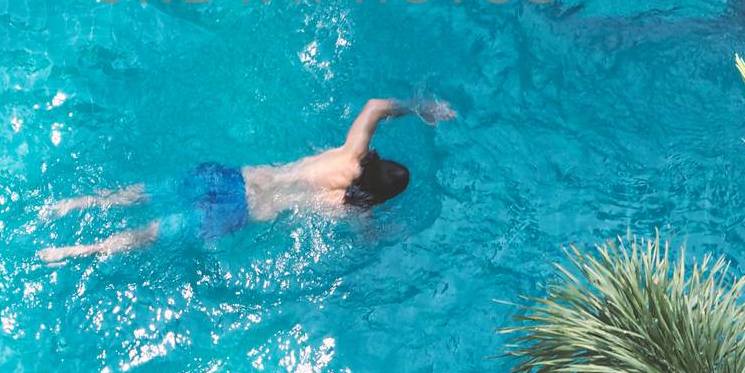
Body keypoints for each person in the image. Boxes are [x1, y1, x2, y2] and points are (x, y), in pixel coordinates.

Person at [36, 97, 456, 263]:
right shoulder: (350, 207)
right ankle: (79, 249)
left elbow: (376, 105)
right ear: (380, 195)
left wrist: (420, 108)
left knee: (146, 193)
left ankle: (76, 204)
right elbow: (366, 239)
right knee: (152, 233)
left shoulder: (349, 155)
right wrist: (389, 230)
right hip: (238, 213)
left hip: (233, 180)